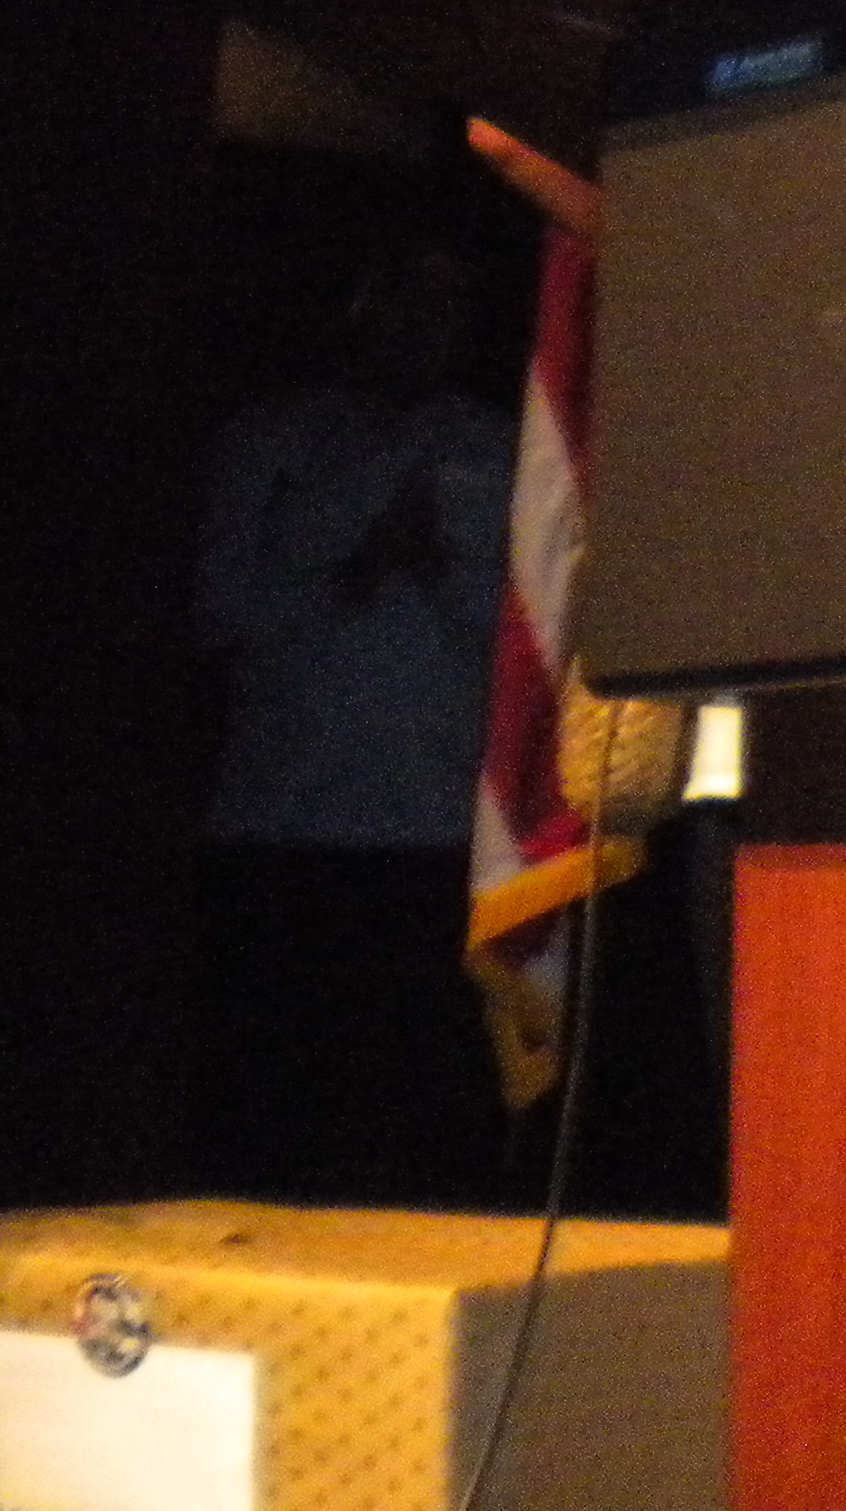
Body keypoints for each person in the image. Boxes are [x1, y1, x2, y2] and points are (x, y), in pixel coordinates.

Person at [191, 240, 516, 1203]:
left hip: (433, 821)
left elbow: (532, 637)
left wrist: (435, 562)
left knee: (417, 1083)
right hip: (287, 815)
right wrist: (349, 566)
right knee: (290, 1081)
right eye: (401, 300)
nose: (419, 327)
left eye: (442, 307)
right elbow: (217, 613)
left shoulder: (496, 448)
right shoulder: (272, 441)